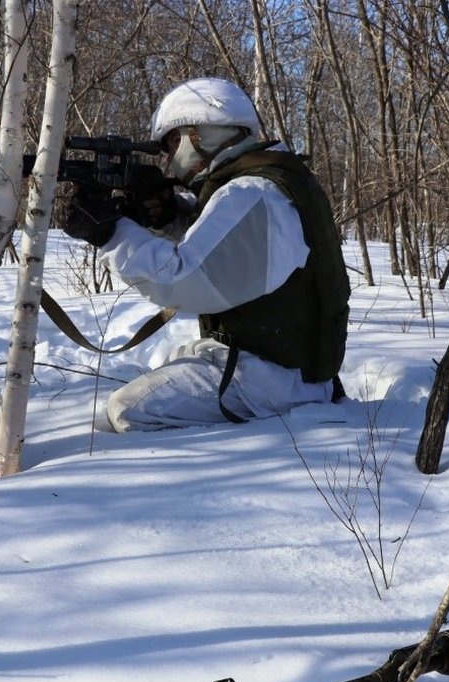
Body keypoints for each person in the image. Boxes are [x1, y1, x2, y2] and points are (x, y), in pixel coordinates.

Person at [55, 77, 350, 432]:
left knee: (128, 410)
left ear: (202, 133)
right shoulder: (272, 182)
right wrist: (170, 216)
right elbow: (231, 247)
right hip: (287, 367)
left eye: (172, 142)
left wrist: (110, 233)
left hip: (270, 380)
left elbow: (184, 278)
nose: (169, 157)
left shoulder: (250, 194)